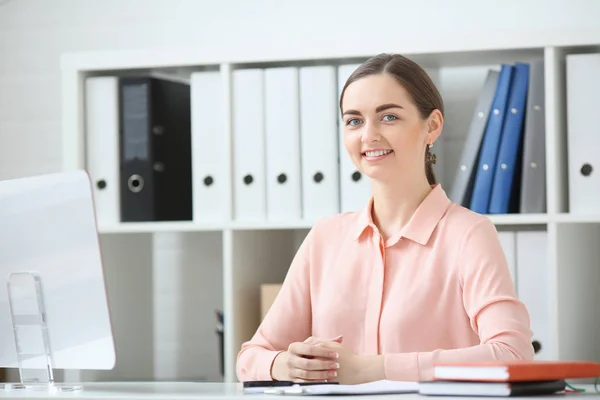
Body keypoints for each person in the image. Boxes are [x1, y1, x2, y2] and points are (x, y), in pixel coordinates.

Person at [236, 53, 534, 385]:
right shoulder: (325, 237)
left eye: (388, 117)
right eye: (354, 121)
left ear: (432, 126)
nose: (369, 135)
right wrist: (285, 365)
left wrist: (373, 369)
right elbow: (252, 357)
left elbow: (513, 354)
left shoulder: (468, 234)